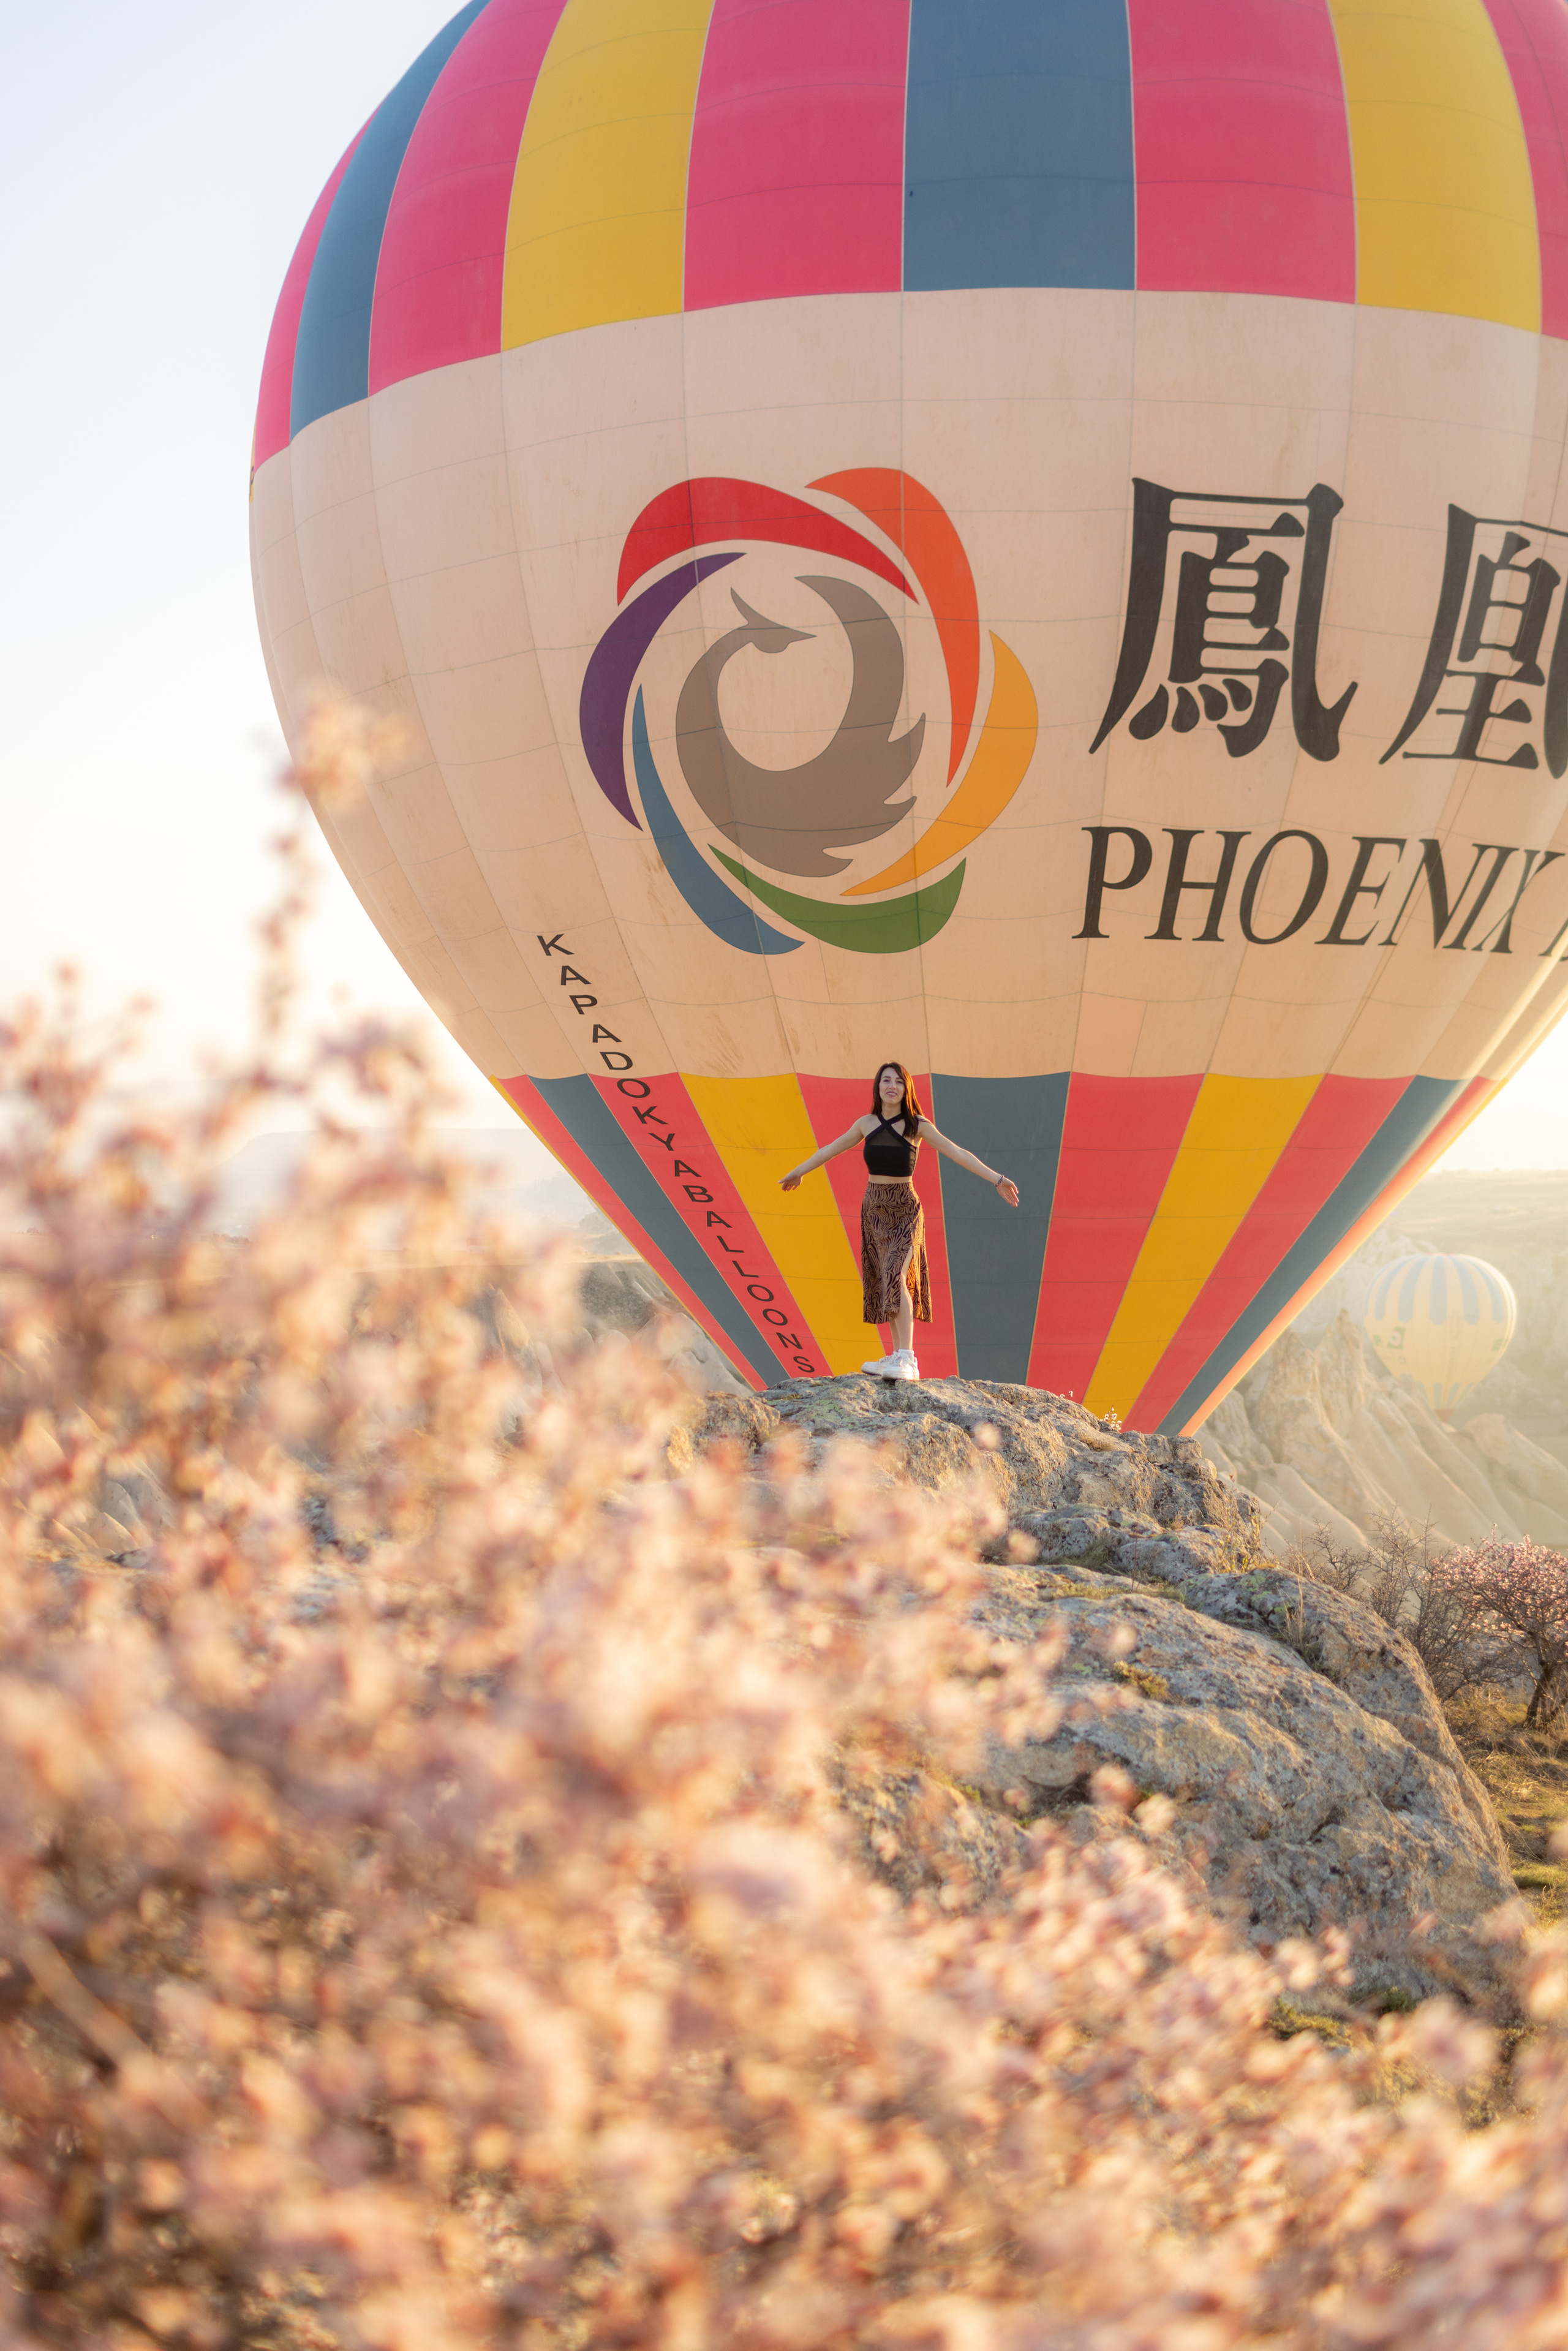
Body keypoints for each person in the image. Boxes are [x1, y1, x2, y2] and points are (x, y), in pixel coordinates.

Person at [778, 1062, 1020, 1381]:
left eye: (898, 1082)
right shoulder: (865, 1124)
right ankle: (895, 1355)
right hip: (874, 1209)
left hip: (905, 1209)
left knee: (896, 1273)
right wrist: (799, 1171)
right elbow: (831, 1150)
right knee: (885, 1280)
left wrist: (997, 1179)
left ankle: (908, 1359)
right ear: (878, 1087)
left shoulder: (917, 1125)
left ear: (907, 1089)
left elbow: (956, 1152)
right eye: (886, 1081)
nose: (892, 1086)